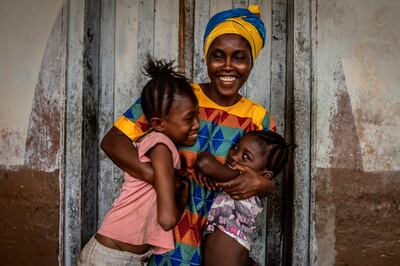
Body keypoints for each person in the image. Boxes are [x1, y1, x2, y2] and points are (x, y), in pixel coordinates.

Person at [101, 5, 276, 265]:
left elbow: (267, 175)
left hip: (218, 242)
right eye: (218, 56)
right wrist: (159, 178)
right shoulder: (177, 97)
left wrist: (265, 185)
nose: (227, 66)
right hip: (170, 232)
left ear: (251, 62)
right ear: (206, 57)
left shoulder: (258, 118)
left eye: (239, 57)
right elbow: (114, 141)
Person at [78, 57, 199, 266]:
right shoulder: (160, 147)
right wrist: (183, 193)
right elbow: (167, 219)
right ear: (158, 123)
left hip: (125, 257)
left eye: (197, 116)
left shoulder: (159, 144)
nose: (197, 124)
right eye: (189, 118)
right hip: (109, 258)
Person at [196, 130, 290, 266]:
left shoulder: (241, 181)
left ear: (265, 175)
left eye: (246, 157)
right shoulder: (246, 187)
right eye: (235, 148)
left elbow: (203, 163)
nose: (234, 156)